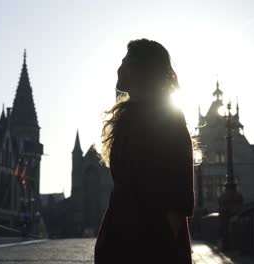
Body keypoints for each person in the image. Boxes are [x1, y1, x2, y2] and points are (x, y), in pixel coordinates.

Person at [94, 39, 195, 263]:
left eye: (126, 61)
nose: (119, 67)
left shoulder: (168, 116)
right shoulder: (125, 118)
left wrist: (163, 238)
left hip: (150, 243)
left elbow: (180, 193)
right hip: (119, 238)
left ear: (142, 69)